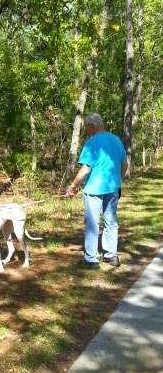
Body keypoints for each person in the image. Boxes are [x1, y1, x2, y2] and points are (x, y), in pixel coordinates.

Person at [66, 113, 128, 269]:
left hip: (94, 189)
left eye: (86, 126)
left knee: (92, 223)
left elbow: (86, 169)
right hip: (112, 188)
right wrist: (118, 181)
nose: (86, 129)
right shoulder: (116, 139)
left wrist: (73, 186)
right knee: (111, 222)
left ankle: (91, 259)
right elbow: (125, 164)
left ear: (92, 126)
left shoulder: (91, 143)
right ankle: (111, 256)